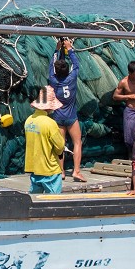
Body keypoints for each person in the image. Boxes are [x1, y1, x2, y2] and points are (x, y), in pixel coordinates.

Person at [50, 39, 86, 182]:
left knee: (60, 146)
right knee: (77, 142)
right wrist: (69, 49)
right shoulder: (72, 78)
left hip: (58, 116)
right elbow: (76, 64)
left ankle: (61, 171)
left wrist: (56, 50)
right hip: (71, 116)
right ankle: (76, 171)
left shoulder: (53, 80)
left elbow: (51, 66)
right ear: (67, 71)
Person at [24, 87, 65, 194]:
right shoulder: (50, 123)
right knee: (54, 203)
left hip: (34, 168)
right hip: (49, 169)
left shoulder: (29, 120)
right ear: (49, 107)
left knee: (34, 199)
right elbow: (60, 147)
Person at [113, 61, 135, 153]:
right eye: (134, 75)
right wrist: (129, 96)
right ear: (129, 73)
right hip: (130, 111)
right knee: (129, 137)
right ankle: (131, 155)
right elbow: (115, 96)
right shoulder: (123, 82)